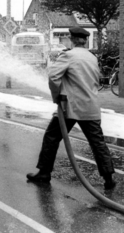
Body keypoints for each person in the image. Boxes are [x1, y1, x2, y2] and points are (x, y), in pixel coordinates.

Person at [26, 27, 116, 190]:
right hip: (91, 107)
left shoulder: (67, 55)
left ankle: (44, 173)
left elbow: (54, 77)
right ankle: (109, 178)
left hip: (70, 107)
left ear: (72, 39)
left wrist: (56, 98)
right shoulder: (92, 57)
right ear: (85, 41)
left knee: (51, 137)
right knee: (98, 143)